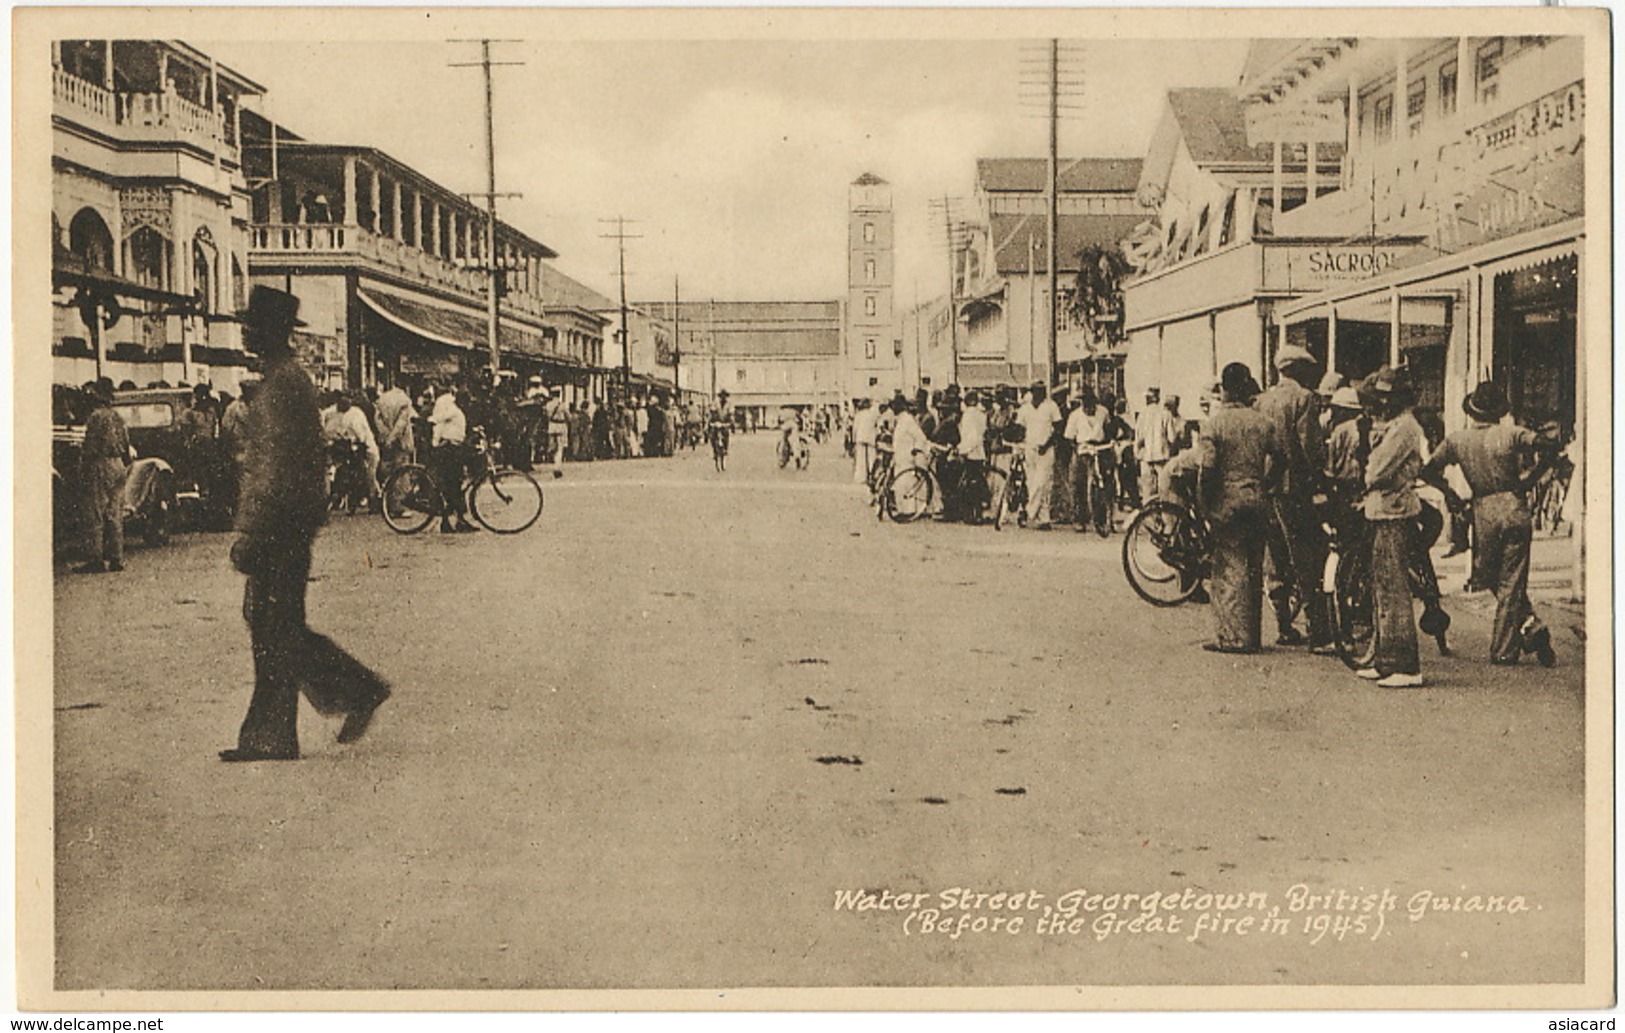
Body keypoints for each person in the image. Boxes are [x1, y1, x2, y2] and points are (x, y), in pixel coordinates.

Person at [223, 287, 390, 762]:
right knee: (272, 625)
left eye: (254, 327)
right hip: (288, 521)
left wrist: (253, 530)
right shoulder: (284, 381)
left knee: (275, 627)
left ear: (272, 332)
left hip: (280, 523)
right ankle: (274, 733)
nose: (247, 333)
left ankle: (352, 693)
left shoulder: (282, 386)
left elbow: (274, 469)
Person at [1420, 381, 1560, 667]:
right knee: (1512, 577)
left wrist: (1450, 494)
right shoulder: (1511, 434)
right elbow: (1549, 446)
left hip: (1483, 508)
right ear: (1499, 410)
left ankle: (1505, 649)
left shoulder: (1457, 440)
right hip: (1513, 503)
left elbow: (1428, 470)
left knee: (1492, 577)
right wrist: (1530, 479)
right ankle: (1531, 628)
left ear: (1472, 410)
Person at [1196, 363, 1280, 654]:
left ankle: (1232, 637)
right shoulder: (1263, 422)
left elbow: (1207, 470)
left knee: (1229, 568)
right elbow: (1280, 458)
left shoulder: (1214, 424)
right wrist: (1265, 484)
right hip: (1257, 498)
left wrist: (1205, 505)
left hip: (1227, 500)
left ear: (1224, 388)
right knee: (1254, 566)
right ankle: (1252, 635)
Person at [1256, 344, 1332, 650]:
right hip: (1294, 489)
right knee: (1306, 557)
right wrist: (1318, 479)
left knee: (1275, 557)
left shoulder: (1262, 401)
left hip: (1268, 488)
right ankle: (1317, 630)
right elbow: (1308, 446)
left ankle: (1284, 625)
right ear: (1298, 369)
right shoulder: (1304, 399)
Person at [1357, 366, 1428, 688]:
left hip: (1393, 511)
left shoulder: (1405, 429)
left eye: (1387, 398)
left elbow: (1376, 471)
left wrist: (1368, 470)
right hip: (1383, 510)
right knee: (1382, 586)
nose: (1381, 404)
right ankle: (1385, 658)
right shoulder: (1398, 426)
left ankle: (1404, 665)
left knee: (1394, 588)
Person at [75, 378, 130, 574]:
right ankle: (116, 558)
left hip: (101, 464)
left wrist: (83, 467)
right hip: (118, 464)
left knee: (95, 512)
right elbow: (126, 443)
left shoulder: (96, 417)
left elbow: (90, 446)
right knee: (114, 514)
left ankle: (95, 558)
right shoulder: (118, 417)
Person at [429, 383, 478, 533]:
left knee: (455, 486)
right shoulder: (452, 410)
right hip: (450, 450)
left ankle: (459, 520)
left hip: (455, 448)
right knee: (452, 485)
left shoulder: (458, 410)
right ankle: (449, 521)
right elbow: (437, 419)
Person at [1014, 381, 1062, 529]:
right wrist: (1019, 447)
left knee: (1041, 483)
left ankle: (1028, 512)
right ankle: (1044, 519)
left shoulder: (1051, 406)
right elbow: (1019, 429)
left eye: (1042, 391)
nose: (1039, 394)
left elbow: (1058, 428)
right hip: (1030, 449)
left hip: (1045, 450)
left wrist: (1047, 444)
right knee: (1032, 483)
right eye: (1036, 391)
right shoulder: (1025, 408)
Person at [1065, 387, 1114, 533]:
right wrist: (1078, 451)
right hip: (1082, 450)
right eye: (1084, 403)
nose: (1087, 406)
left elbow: (1109, 429)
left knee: (1101, 485)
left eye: (1090, 402)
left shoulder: (1103, 412)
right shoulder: (1075, 416)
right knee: (1077, 485)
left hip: (1099, 449)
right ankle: (1079, 519)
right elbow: (1069, 437)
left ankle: (1101, 519)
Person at [1135, 387, 1175, 501]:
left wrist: (1138, 454)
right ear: (1158, 398)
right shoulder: (1166, 414)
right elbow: (1172, 438)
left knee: (1147, 493)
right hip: (1162, 458)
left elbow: (1138, 438)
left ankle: (1149, 517)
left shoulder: (1142, 415)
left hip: (1146, 458)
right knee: (1164, 491)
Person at [375, 380, 416, 483]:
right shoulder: (405, 400)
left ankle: (384, 494)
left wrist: (386, 434)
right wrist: (392, 438)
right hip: (401, 442)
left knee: (386, 469)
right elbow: (401, 423)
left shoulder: (382, 399)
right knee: (402, 472)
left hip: (385, 441)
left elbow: (377, 419)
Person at [958, 390, 989, 523]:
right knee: (976, 485)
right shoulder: (981, 415)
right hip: (979, 453)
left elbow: (970, 436)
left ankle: (971, 514)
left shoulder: (968, 415)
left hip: (970, 453)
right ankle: (978, 513)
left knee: (969, 486)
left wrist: (963, 450)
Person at [852, 398, 878, 486]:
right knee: (871, 458)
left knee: (861, 459)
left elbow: (855, 428)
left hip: (861, 437)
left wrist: (854, 439)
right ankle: (872, 475)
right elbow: (876, 425)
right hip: (870, 438)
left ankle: (861, 477)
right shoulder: (872, 414)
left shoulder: (858, 415)